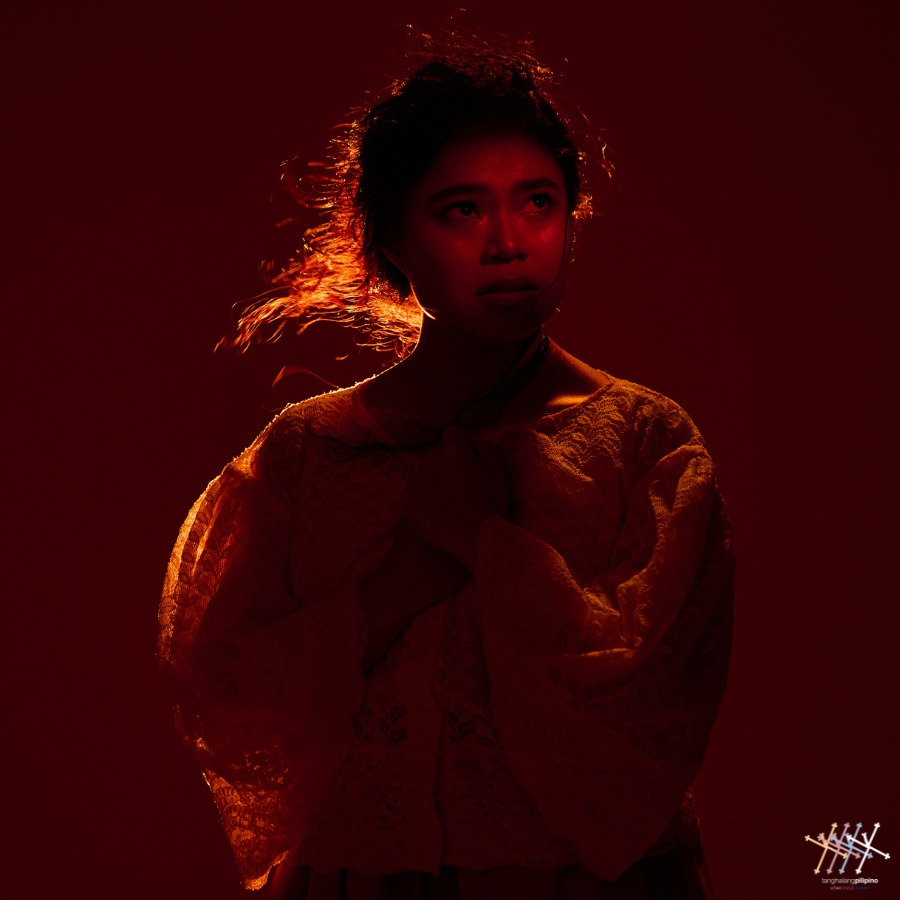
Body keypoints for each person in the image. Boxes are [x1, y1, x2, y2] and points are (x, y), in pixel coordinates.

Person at [158, 32, 734, 900]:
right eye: (460, 210)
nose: (507, 241)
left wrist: (490, 547)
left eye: (536, 201)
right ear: (391, 237)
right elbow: (224, 691)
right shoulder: (306, 453)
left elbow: (654, 698)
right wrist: (396, 584)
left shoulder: (645, 441)